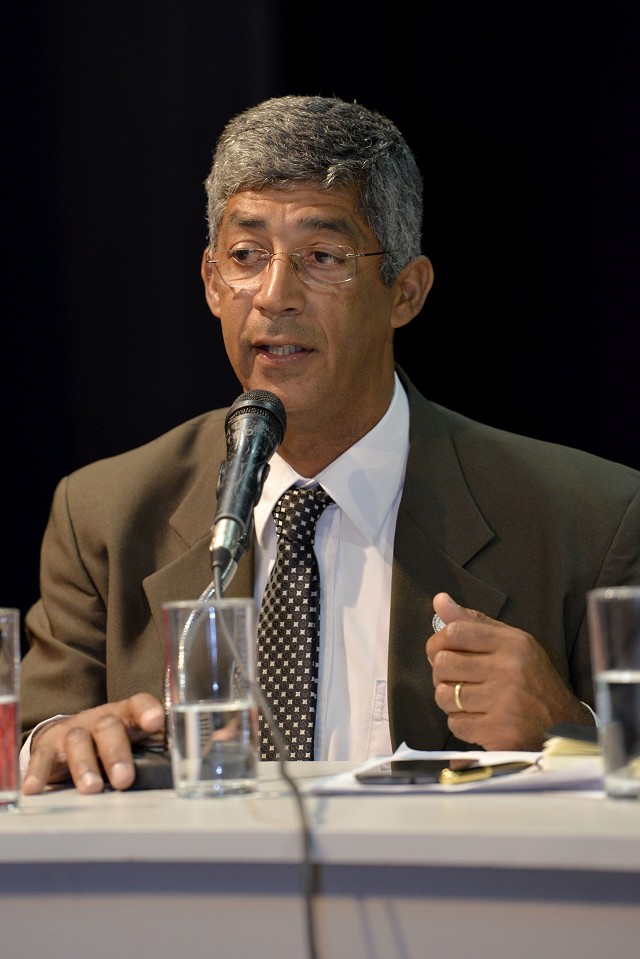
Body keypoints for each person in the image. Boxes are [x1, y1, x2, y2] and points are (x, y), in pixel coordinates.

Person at [20, 94, 640, 796]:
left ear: (406, 292)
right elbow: (35, 734)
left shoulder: (590, 520)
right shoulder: (104, 516)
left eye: (321, 256)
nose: (274, 294)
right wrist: (59, 742)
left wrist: (570, 732)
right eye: (246, 255)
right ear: (212, 283)